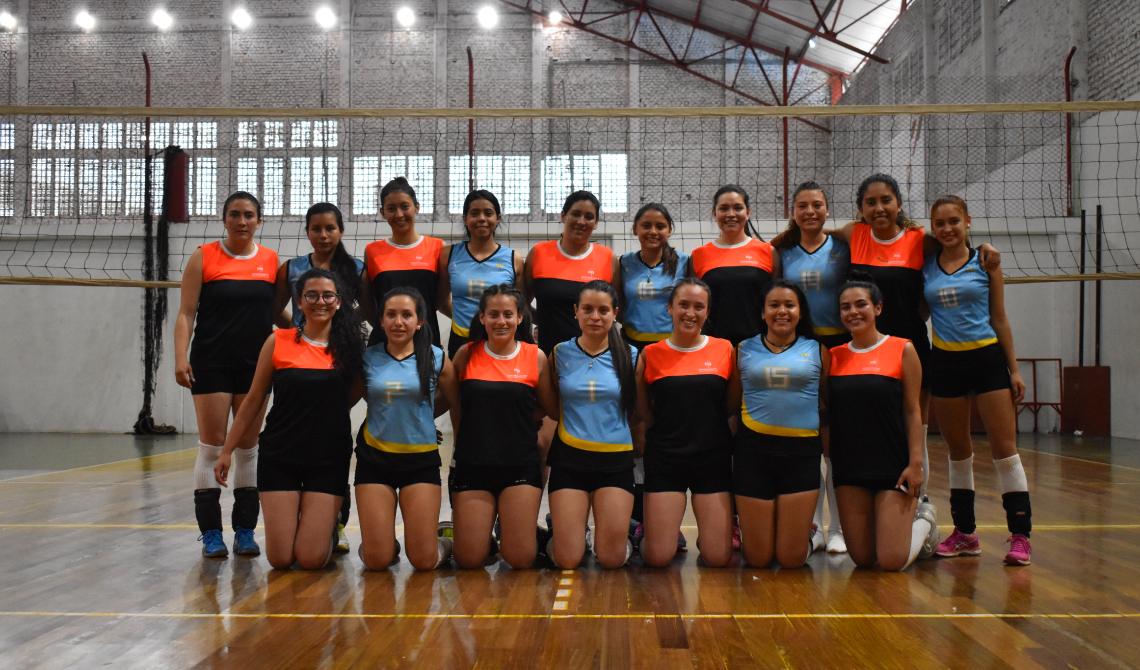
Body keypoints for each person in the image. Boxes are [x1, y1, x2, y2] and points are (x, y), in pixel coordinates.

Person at [794, 173, 1000, 500]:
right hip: (863, 351)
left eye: (886, 200)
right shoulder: (853, 234)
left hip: (910, 350)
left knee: (913, 432)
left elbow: (955, 247)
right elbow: (813, 232)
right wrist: (773, 242)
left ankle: (919, 506)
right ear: (860, 209)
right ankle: (872, 507)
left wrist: (983, 248)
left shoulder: (919, 240)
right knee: (869, 431)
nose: (879, 208)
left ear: (899, 204)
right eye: (870, 202)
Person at [213, 267, 363, 569]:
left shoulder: (351, 348)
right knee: (280, 560)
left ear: (338, 302)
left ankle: (324, 529)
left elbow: (357, 394)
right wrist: (227, 450)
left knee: (310, 559)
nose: (319, 302)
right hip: (280, 456)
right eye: (311, 295)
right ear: (298, 301)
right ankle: (303, 521)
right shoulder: (278, 340)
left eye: (327, 296)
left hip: (328, 458)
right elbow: (254, 399)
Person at [923, 196, 1032, 566]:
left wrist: (1013, 369)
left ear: (967, 221)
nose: (948, 229)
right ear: (933, 227)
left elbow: (999, 317)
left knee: (1004, 450)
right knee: (958, 454)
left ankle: (1020, 537)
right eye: (940, 223)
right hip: (946, 362)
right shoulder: (926, 266)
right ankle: (965, 534)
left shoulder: (986, 262)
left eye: (954, 221)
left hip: (986, 359)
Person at [174, 191, 277, 558]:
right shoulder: (203, 256)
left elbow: (277, 315)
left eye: (249, 215)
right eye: (235, 214)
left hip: (256, 366)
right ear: (224, 219)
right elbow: (186, 313)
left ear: (259, 220)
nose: (242, 221)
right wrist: (180, 358)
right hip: (211, 362)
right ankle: (212, 535)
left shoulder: (270, 259)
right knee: (212, 446)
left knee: (249, 450)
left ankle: (245, 531)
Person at [828, 275, 939, 571]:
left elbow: (913, 412)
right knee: (863, 559)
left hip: (892, 465)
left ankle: (925, 521)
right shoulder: (834, 356)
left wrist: (916, 465)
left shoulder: (902, 348)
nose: (853, 312)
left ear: (877, 308)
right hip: (850, 466)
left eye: (861, 304)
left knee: (891, 561)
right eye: (845, 307)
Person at [272, 201, 365, 554]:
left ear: (341, 231)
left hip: (340, 356)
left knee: (334, 435)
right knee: (294, 430)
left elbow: (367, 308)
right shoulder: (292, 268)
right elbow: (274, 307)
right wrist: (299, 334)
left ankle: (335, 523)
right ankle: (294, 511)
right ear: (307, 231)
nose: (323, 235)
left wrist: (342, 331)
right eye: (316, 228)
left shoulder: (356, 268)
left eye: (330, 228)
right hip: (297, 361)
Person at [449, 284, 555, 569]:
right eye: (493, 314)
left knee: (520, 559)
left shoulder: (536, 356)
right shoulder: (466, 354)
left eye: (508, 314)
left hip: (519, 465)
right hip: (474, 463)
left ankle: (516, 533)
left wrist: (523, 416)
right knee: (468, 559)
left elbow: (551, 406)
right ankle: (476, 536)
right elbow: (455, 404)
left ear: (520, 318)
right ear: (482, 317)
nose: (501, 321)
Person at [635, 278, 736, 568]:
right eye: (683, 305)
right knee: (657, 557)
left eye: (698, 307)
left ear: (707, 312)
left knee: (718, 557)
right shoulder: (651, 353)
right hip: (666, 458)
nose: (690, 313)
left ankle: (714, 535)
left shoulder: (725, 349)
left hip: (712, 457)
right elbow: (644, 408)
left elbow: (730, 404)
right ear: (669, 308)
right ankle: (649, 534)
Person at [355, 287, 458, 571]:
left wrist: (422, 418)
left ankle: (446, 541)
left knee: (424, 562)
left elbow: (455, 400)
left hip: (420, 460)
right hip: (374, 458)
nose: (398, 322)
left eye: (406, 315)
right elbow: (357, 397)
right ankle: (383, 545)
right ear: (381, 320)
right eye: (391, 315)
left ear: (420, 320)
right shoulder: (368, 358)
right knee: (377, 560)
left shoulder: (436, 358)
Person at [775, 182, 849, 555]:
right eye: (802, 206)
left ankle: (838, 528)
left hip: (839, 345)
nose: (810, 211)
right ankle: (813, 526)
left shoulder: (843, 246)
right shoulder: (781, 250)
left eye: (817, 205)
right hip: (799, 349)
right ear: (793, 212)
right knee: (810, 439)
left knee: (834, 444)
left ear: (826, 208)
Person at [733, 280, 828, 569]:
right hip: (754, 454)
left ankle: (812, 537)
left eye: (789, 305)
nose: (781, 311)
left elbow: (826, 401)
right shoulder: (743, 349)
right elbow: (731, 402)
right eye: (773, 305)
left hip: (801, 455)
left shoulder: (817, 349)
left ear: (801, 312)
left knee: (791, 560)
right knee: (758, 559)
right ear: (762, 313)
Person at [544, 281, 638, 569]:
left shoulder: (632, 356)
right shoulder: (560, 353)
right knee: (567, 559)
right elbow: (550, 408)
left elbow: (639, 410)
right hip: (570, 459)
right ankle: (564, 534)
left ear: (615, 314)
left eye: (603, 310)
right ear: (576, 312)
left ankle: (625, 533)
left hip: (615, 461)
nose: (595, 316)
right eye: (588, 309)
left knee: (610, 559)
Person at [617, 203, 689, 549]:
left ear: (669, 230)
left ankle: (666, 522)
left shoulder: (685, 263)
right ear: (635, 230)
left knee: (666, 427)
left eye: (660, 225)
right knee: (637, 431)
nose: (653, 231)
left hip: (670, 353)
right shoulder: (624, 264)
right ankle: (639, 520)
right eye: (646, 225)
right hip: (632, 350)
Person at [523, 191, 619, 356]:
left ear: (595, 223)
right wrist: (547, 321)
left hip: (596, 356)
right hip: (548, 353)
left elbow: (617, 308)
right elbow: (522, 303)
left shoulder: (608, 258)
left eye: (589, 217)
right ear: (563, 216)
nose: (581, 222)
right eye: (575, 214)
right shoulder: (539, 252)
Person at [688, 184, 780, 347]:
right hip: (714, 346)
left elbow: (777, 302)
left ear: (748, 212)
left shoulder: (768, 251)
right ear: (714, 213)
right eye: (724, 208)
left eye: (738, 208)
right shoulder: (698, 255)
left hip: (760, 346)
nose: (731, 214)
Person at [438, 190, 522, 359]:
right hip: (461, 340)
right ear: (465, 218)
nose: (482, 218)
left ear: (497, 218)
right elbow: (440, 300)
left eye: (488, 213)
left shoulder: (514, 259)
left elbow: (520, 308)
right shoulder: (448, 254)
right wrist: (466, 322)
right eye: (474, 213)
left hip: (501, 341)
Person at [361, 177, 444, 347]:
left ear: (416, 207)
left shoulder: (437, 247)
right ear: (382, 212)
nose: (398, 214)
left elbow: (440, 299)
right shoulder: (372, 251)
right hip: (384, 343)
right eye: (391, 209)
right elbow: (368, 304)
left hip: (426, 342)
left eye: (405, 206)